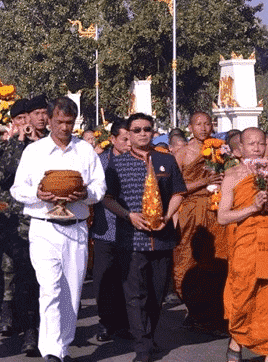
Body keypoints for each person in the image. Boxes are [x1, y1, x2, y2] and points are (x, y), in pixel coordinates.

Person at [10, 96, 106, 362]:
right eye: (59, 122)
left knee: (71, 291)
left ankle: (62, 346)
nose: (65, 128)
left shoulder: (85, 151)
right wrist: (39, 194)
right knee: (50, 288)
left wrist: (84, 193)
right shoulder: (34, 152)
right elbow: (17, 189)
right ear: (49, 120)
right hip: (44, 228)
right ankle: (51, 352)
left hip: (75, 228)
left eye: (69, 123)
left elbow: (99, 188)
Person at [102, 113, 186, 362]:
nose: (142, 134)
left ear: (153, 131)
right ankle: (142, 347)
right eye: (136, 130)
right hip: (131, 238)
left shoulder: (166, 160)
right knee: (135, 294)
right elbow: (107, 198)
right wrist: (128, 216)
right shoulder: (116, 164)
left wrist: (167, 216)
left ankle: (149, 336)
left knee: (157, 292)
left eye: (146, 129)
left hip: (161, 237)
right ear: (128, 133)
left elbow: (178, 192)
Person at [0, 96, 42, 353]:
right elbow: (1, 174)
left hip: (42, 217)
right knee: (13, 271)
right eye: (20, 120)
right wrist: (16, 143)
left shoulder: (46, 144)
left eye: (28, 118)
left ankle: (39, 325)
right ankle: (15, 317)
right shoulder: (5, 146)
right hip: (13, 218)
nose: (26, 124)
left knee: (40, 276)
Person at [173, 112, 228, 331]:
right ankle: (192, 309)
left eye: (207, 123)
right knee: (189, 257)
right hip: (191, 209)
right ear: (190, 127)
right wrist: (202, 182)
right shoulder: (183, 153)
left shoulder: (221, 150)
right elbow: (176, 188)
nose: (204, 128)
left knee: (215, 258)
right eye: (199, 124)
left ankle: (214, 310)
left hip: (215, 210)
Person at [218, 127, 268, 362]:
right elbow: (222, 217)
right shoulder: (234, 175)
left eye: (261, 143)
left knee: (266, 297)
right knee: (242, 295)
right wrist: (252, 208)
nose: (257, 148)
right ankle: (236, 340)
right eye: (252, 144)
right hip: (245, 245)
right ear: (241, 148)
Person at [91, 120, 131, 342]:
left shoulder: (138, 160)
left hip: (131, 228)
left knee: (127, 278)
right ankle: (106, 322)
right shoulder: (99, 161)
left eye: (130, 138)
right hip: (105, 228)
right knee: (104, 278)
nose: (128, 143)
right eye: (124, 139)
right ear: (113, 139)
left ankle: (124, 323)